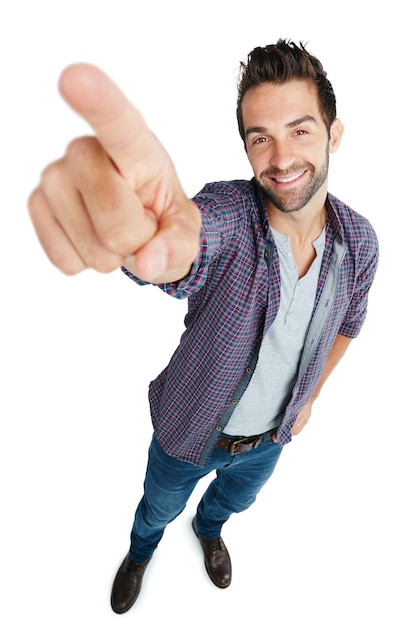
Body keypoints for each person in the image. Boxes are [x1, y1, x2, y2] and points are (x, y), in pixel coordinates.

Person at [28, 39, 379, 614]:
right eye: (260, 137)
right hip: (189, 433)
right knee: (157, 507)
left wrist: (311, 396)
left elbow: (351, 321)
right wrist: (149, 242)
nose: (281, 157)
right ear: (245, 148)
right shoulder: (228, 217)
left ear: (334, 134)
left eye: (300, 130)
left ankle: (210, 530)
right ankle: (142, 551)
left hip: (272, 437)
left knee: (234, 501)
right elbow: (191, 239)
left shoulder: (360, 242)